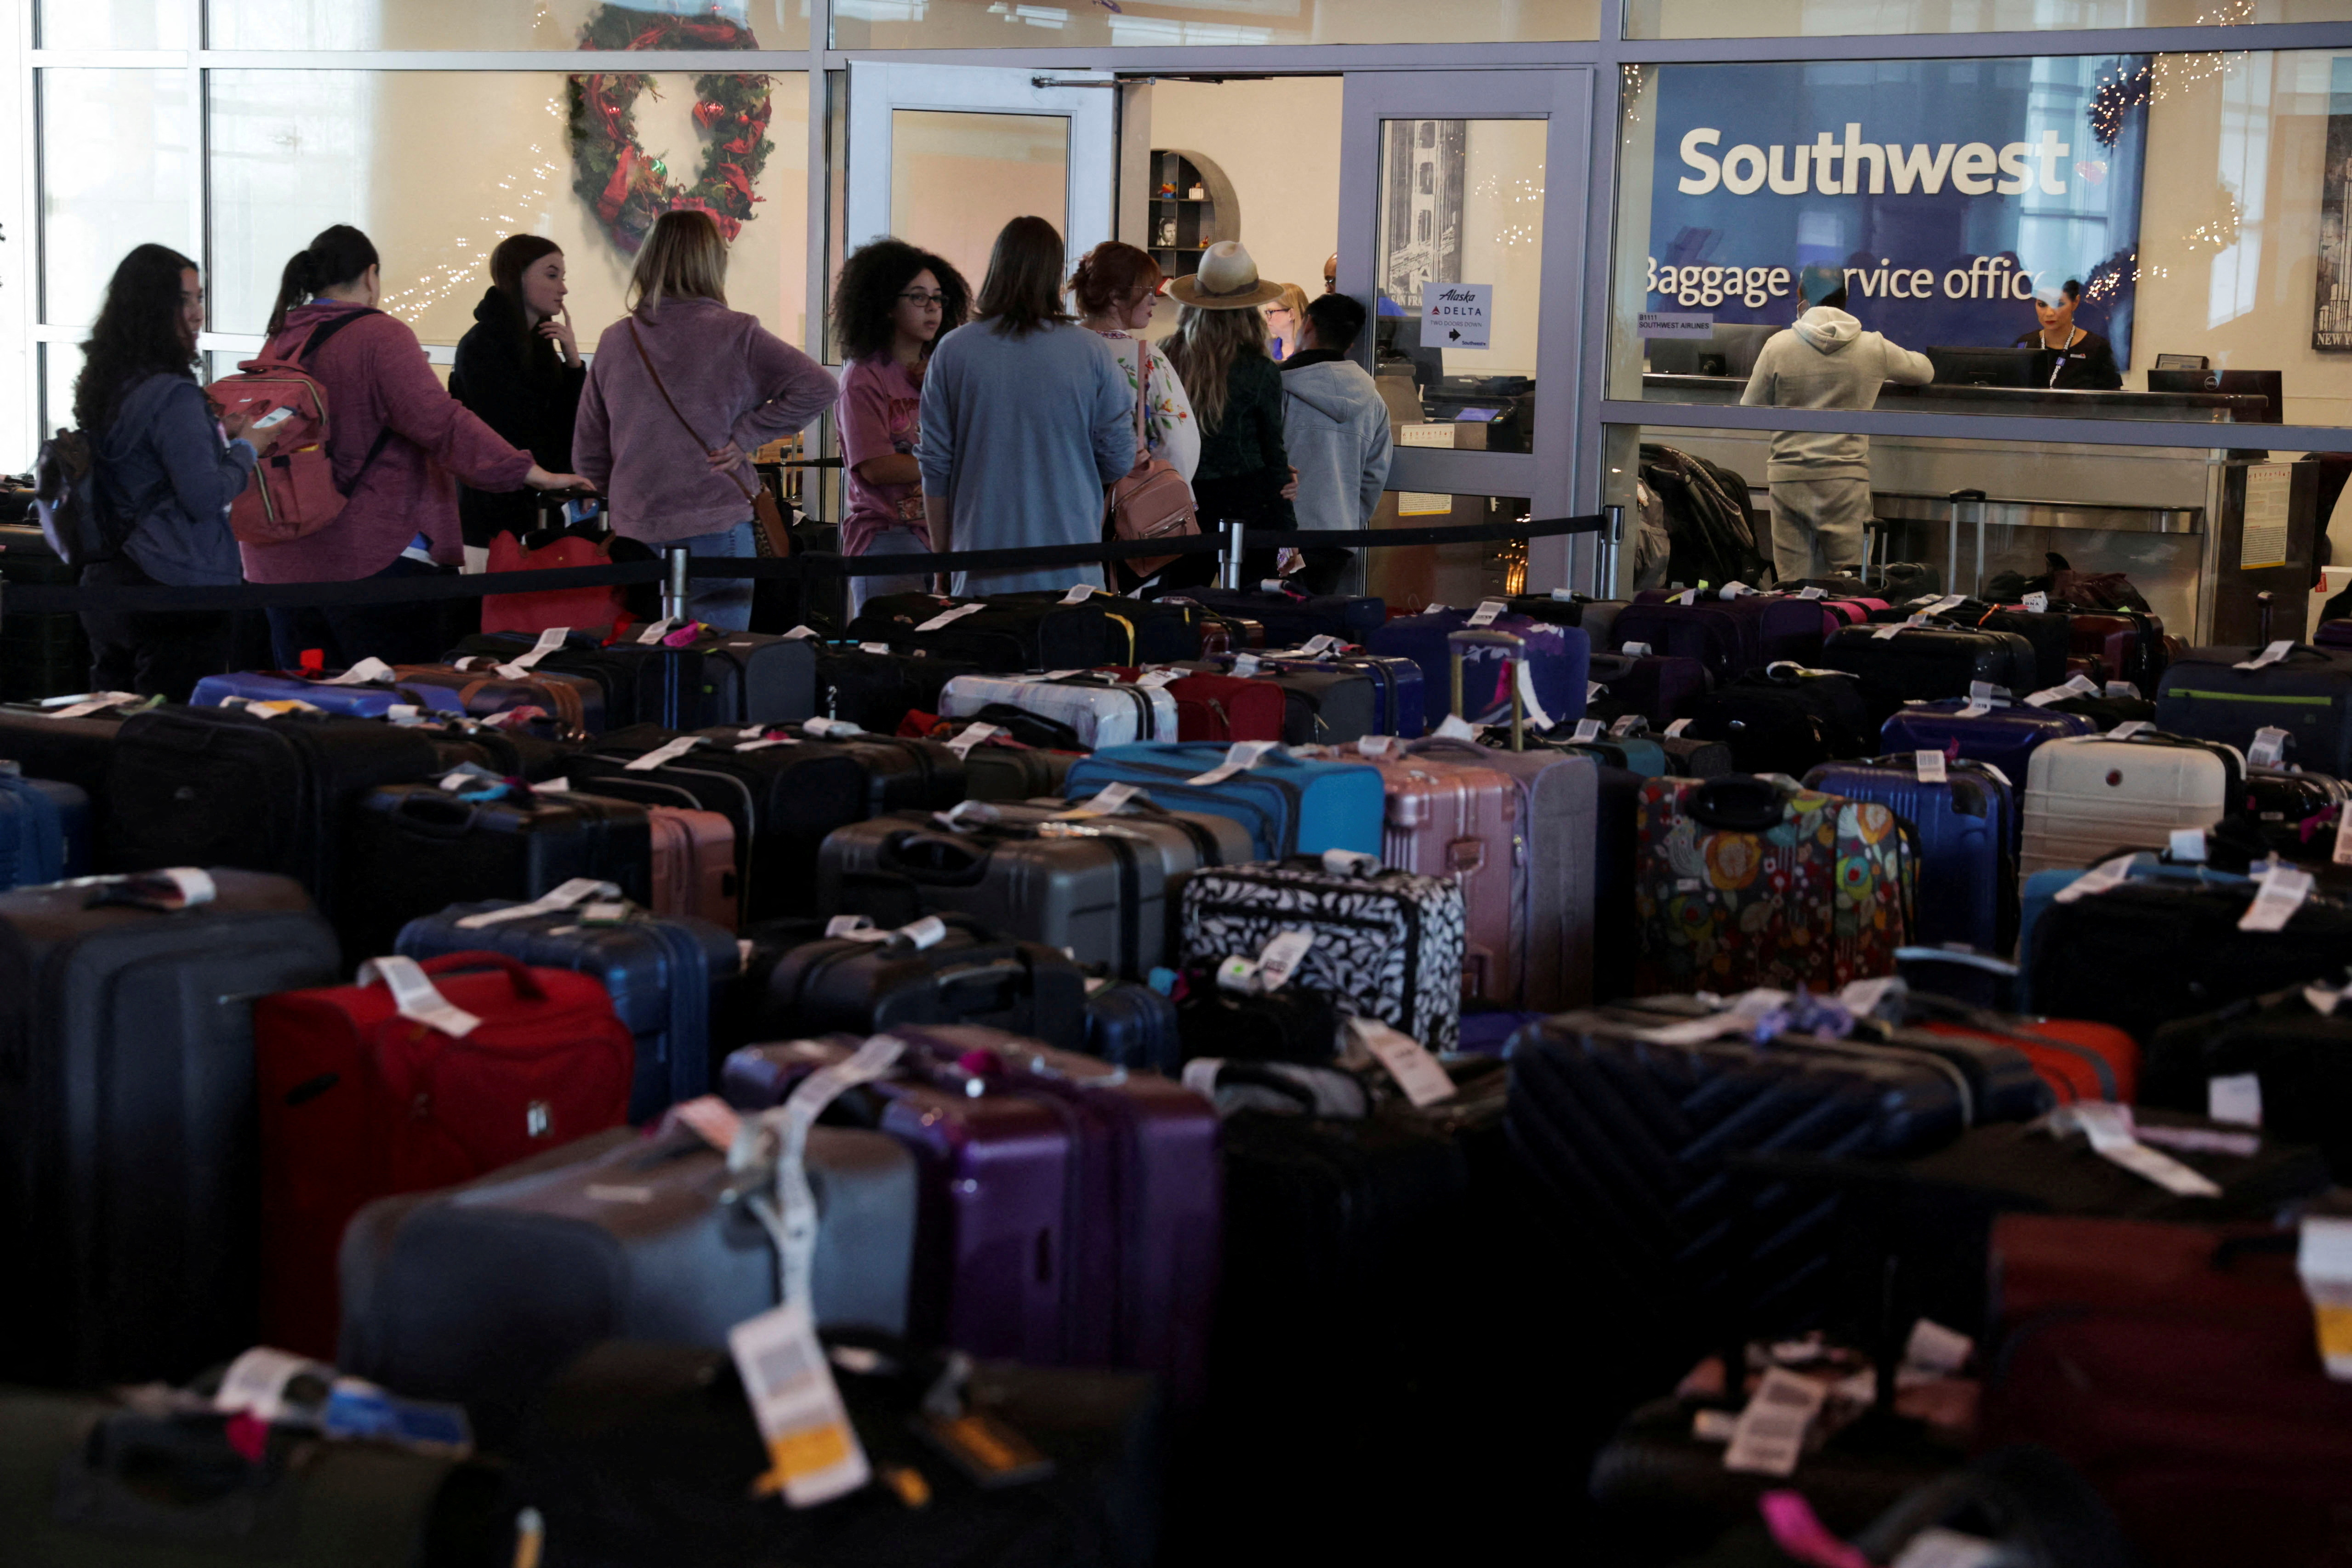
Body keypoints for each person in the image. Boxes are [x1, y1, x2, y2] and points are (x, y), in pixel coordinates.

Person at [247, 225, 587, 667]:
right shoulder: (379, 336)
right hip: (371, 555)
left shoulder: (280, 340)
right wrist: (531, 472)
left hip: (283, 561)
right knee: (396, 706)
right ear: (371, 276)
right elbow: (441, 423)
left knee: (309, 714)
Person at [575, 209, 837, 631]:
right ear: (713, 262)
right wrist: (746, 436)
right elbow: (820, 387)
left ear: (649, 259)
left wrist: (628, 493)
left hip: (637, 536)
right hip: (718, 526)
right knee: (718, 666)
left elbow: (588, 452)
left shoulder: (615, 341)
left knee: (645, 666)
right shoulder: (736, 333)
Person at [70, 245, 276, 700]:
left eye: (199, 298)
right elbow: (203, 497)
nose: (199, 313)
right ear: (155, 308)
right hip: (174, 580)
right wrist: (245, 449)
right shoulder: (174, 395)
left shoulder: (108, 382)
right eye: (187, 300)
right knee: (168, 730)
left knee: (111, 718)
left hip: (108, 577)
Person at [917, 215, 1134, 597]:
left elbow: (936, 469)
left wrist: (942, 565)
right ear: (1055, 273)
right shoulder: (1091, 351)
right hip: (1072, 564)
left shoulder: (953, 350)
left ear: (996, 266)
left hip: (979, 564)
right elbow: (1118, 459)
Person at [1739, 263, 1932, 582]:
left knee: (1790, 585)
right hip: (1845, 480)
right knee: (1851, 583)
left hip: (1789, 478)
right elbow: (1925, 371)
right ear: (1845, 298)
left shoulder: (1779, 345)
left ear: (1801, 296)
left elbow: (1748, 409)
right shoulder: (1874, 347)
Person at [830, 238, 970, 616]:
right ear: (887, 305)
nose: (933, 309)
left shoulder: (947, 369)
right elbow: (877, 466)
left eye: (938, 298)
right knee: (895, 651)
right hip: (888, 533)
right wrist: (957, 463)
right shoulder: (863, 375)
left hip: (948, 529)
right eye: (918, 298)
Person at [450, 234, 588, 570]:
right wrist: (552, 472)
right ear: (518, 276)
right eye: (552, 275)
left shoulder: (542, 346)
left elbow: (570, 424)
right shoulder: (481, 345)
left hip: (542, 510)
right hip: (494, 518)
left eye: (563, 277)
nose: (563, 288)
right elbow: (507, 433)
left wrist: (573, 364)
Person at [1069, 239, 1200, 591]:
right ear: (1115, 296)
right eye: (1147, 290)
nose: (1155, 299)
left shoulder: (1060, 348)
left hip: (1061, 506)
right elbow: (1179, 440)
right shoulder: (1144, 357)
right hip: (1126, 514)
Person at [1166, 240, 1296, 575]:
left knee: (1179, 604)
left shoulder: (1165, 355)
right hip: (1247, 504)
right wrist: (1287, 527)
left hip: (1178, 498)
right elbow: (1272, 452)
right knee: (1248, 607)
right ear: (1248, 310)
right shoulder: (1258, 369)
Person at [1279, 292, 1391, 596]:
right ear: (1350, 344)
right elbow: (1375, 475)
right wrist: (1347, 520)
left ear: (1308, 324)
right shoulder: (1373, 400)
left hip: (1280, 535)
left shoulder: (1279, 387)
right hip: (1337, 537)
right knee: (1315, 623)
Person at [2015, 278, 2122, 391]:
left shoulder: (2097, 347)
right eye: (2042, 304)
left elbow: (2113, 402)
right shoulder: (2025, 344)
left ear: (2075, 303)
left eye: (2058, 304)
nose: (2050, 313)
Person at [1264, 282, 1313, 362]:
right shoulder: (1266, 348)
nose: (1266, 318)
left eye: (1271, 312)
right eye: (1267, 312)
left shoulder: (1309, 353)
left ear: (1291, 314)